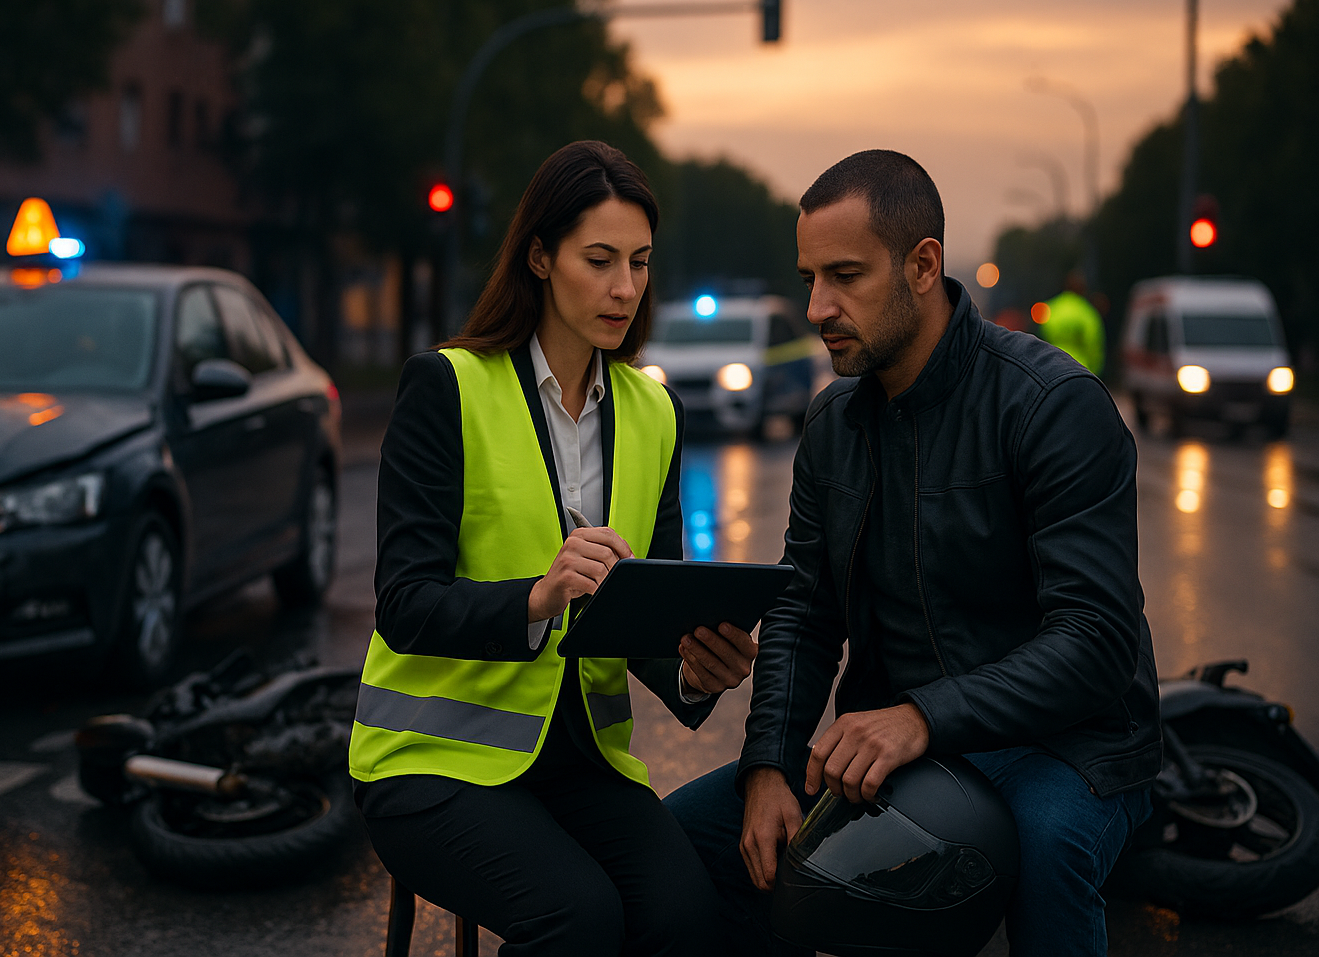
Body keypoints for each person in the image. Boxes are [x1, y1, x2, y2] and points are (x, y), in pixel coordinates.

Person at [665, 150, 1161, 957]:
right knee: (687, 843)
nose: (820, 305)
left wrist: (925, 715)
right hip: (895, 743)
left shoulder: (1051, 405)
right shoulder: (831, 426)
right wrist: (769, 767)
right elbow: (804, 612)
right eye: (809, 278)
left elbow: (1096, 641)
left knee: (1044, 850)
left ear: (923, 264)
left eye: (846, 275)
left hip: (1067, 745)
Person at [350, 140, 757, 957]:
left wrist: (695, 666)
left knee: (686, 919)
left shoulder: (655, 412)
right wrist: (536, 598)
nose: (624, 288)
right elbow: (404, 604)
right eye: (599, 259)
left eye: (639, 263)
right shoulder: (448, 386)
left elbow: (649, 613)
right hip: (429, 763)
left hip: (579, 764)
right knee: (578, 918)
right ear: (539, 255)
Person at [1038, 271, 1106, 374]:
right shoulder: (1086, 311)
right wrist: (1096, 370)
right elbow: (1093, 343)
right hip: (1080, 367)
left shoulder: (1053, 307)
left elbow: (1043, 334)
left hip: (1052, 365)